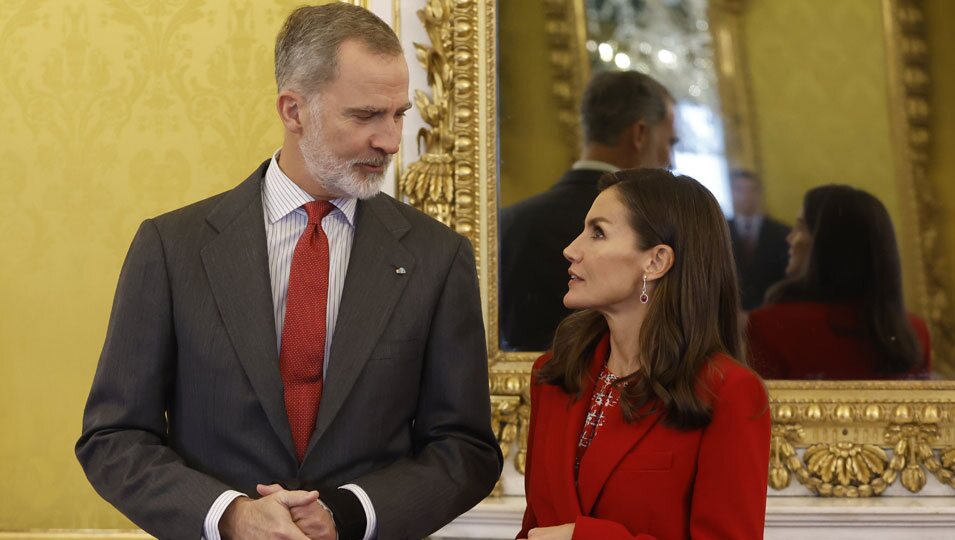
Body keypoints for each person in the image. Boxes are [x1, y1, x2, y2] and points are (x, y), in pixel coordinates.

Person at [75, 4, 502, 540]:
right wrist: (229, 515)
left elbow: (466, 449)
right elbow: (113, 437)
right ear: (294, 110)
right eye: (366, 115)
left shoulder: (437, 258)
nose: (391, 142)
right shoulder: (171, 248)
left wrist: (347, 513)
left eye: (398, 114)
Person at [518, 169, 771, 540]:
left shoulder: (728, 392)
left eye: (598, 232)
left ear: (655, 261)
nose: (571, 249)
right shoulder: (553, 374)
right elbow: (535, 528)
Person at [499, 70, 677, 351]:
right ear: (640, 134)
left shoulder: (508, 219)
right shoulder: (654, 224)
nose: (671, 160)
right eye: (669, 142)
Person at [748, 185, 931, 380]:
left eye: (800, 226)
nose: (790, 238)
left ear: (825, 244)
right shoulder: (915, 332)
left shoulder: (770, 326)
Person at [727, 169, 789, 311]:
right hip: (732, 314)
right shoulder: (718, 232)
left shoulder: (782, 233)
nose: (746, 196)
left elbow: (787, 279)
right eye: (740, 190)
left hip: (772, 312)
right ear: (732, 193)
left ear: (759, 193)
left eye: (751, 190)